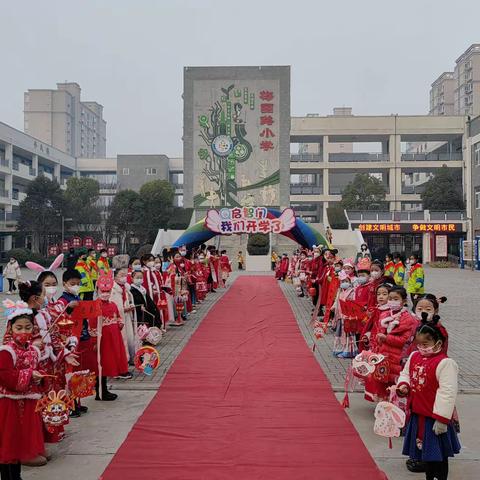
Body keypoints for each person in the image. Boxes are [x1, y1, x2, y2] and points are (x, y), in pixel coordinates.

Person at [396, 319, 460, 480]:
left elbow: (447, 392)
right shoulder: (414, 356)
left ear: (438, 342)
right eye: (419, 343)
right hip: (418, 414)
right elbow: (405, 373)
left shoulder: (445, 363)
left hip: (434, 418)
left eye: (426, 343)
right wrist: (403, 385)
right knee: (424, 455)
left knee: (438, 456)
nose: (422, 347)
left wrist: (442, 419)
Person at [0, 300, 47, 476]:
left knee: (21, 441)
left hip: (28, 403)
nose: (24, 332)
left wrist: (41, 378)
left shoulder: (33, 351)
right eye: (19, 328)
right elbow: (5, 376)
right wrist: (29, 375)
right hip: (9, 405)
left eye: (28, 327)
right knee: (7, 442)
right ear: (10, 328)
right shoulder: (6, 350)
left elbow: (39, 370)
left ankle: (16, 475)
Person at [365, 286, 419, 402]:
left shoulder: (408, 319)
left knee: (394, 384)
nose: (392, 301)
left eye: (396, 299)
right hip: (383, 356)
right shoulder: (385, 315)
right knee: (382, 383)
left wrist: (386, 338)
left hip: (397, 357)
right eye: (390, 298)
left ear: (403, 301)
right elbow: (378, 332)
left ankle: (394, 407)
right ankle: (384, 408)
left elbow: (406, 340)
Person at [91, 271, 130, 400]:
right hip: (103, 340)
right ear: (98, 290)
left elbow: (118, 317)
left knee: (109, 364)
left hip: (113, 337)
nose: (106, 294)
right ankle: (100, 392)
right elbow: (92, 325)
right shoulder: (95, 306)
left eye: (108, 291)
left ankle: (105, 389)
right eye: (103, 291)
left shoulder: (112, 305)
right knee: (102, 364)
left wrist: (119, 323)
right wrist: (95, 342)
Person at [111, 268, 137, 366]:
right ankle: (123, 360)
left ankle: (130, 357)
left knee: (130, 336)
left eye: (125, 275)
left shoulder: (125, 288)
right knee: (122, 338)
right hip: (118, 318)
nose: (124, 277)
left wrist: (130, 305)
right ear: (115, 276)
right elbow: (114, 306)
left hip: (127, 316)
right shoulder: (113, 290)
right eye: (121, 275)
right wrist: (123, 309)